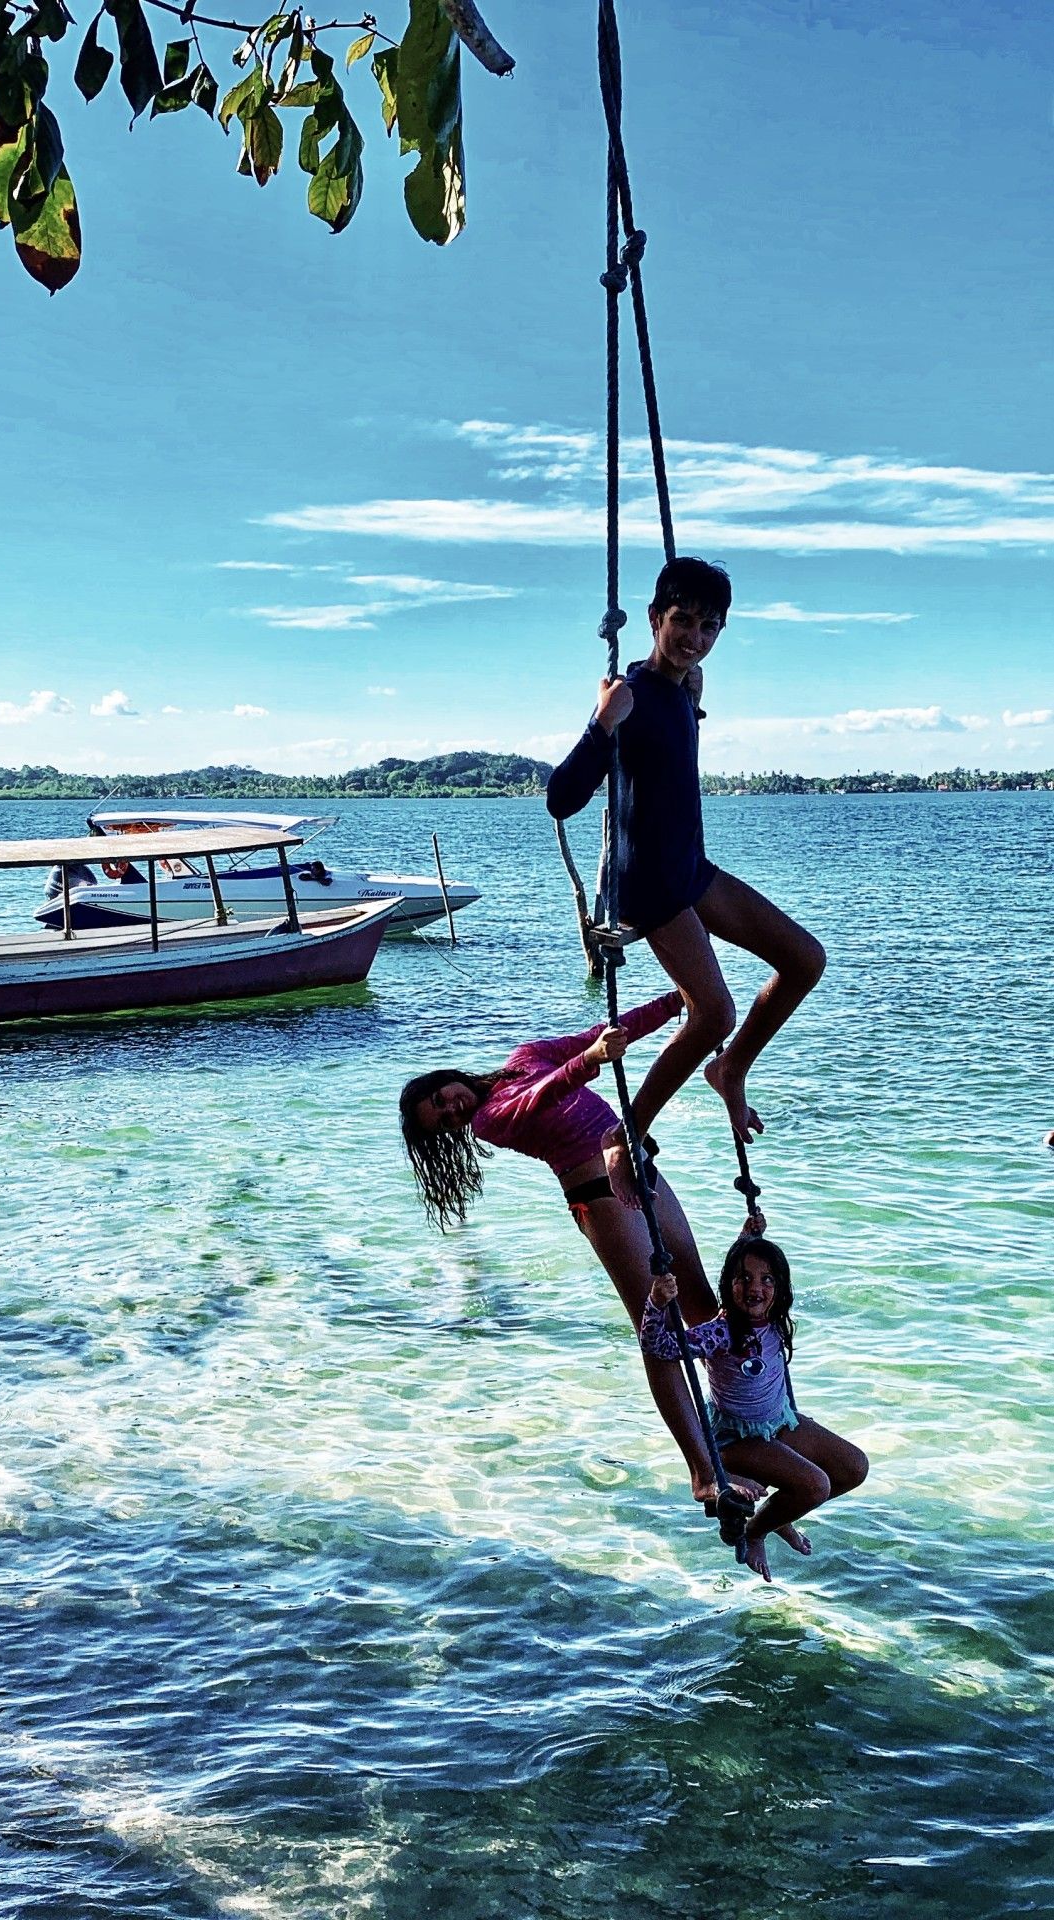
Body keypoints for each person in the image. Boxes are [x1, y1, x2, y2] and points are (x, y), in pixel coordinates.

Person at [399, 997, 764, 1511]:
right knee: (658, 1335)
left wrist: (678, 1002)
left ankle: (741, 1424)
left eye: (442, 1098)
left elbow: (606, 1031)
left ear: (447, 1078)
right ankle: (703, 1472)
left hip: (642, 1174)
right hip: (599, 1197)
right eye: (443, 1121)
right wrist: (592, 1059)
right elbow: (545, 1096)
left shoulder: (525, 1057)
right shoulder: (489, 1121)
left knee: (705, 1304)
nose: (453, 1110)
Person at [546, 554, 826, 1148]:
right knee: (714, 1013)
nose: (694, 639)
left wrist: (691, 699)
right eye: (682, 622)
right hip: (648, 885)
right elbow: (561, 799)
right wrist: (600, 724)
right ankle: (626, 1136)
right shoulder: (630, 695)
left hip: (689, 870)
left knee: (805, 960)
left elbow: (666, 760)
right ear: (653, 617)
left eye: (709, 628)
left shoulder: (680, 692)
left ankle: (730, 1069)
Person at [641, 1234, 868, 1581]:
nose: (755, 1288)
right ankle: (758, 1530)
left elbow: (752, 1263)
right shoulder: (722, 1333)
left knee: (854, 1467)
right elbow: (658, 1347)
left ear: (779, 1288)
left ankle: (779, 1515)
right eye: (743, 1278)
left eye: (766, 1280)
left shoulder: (775, 1319)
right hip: (736, 1438)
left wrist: (749, 1234)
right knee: (815, 1486)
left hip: (778, 1422)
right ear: (728, 1284)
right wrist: (657, 1303)